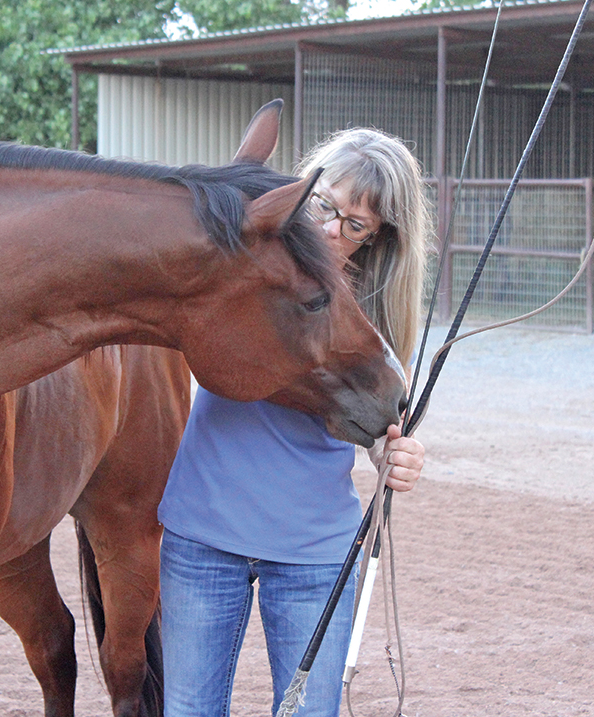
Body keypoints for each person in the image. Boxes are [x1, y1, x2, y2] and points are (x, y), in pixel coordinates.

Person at [157, 127, 432, 717]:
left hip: (314, 555)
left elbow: (380, 432)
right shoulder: (240, 262)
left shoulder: (373, 314)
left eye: (355, 224)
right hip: (202, 537)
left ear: (379, 237)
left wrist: (392, 455)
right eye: (324, 205)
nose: (332, 229)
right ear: (302, 188)